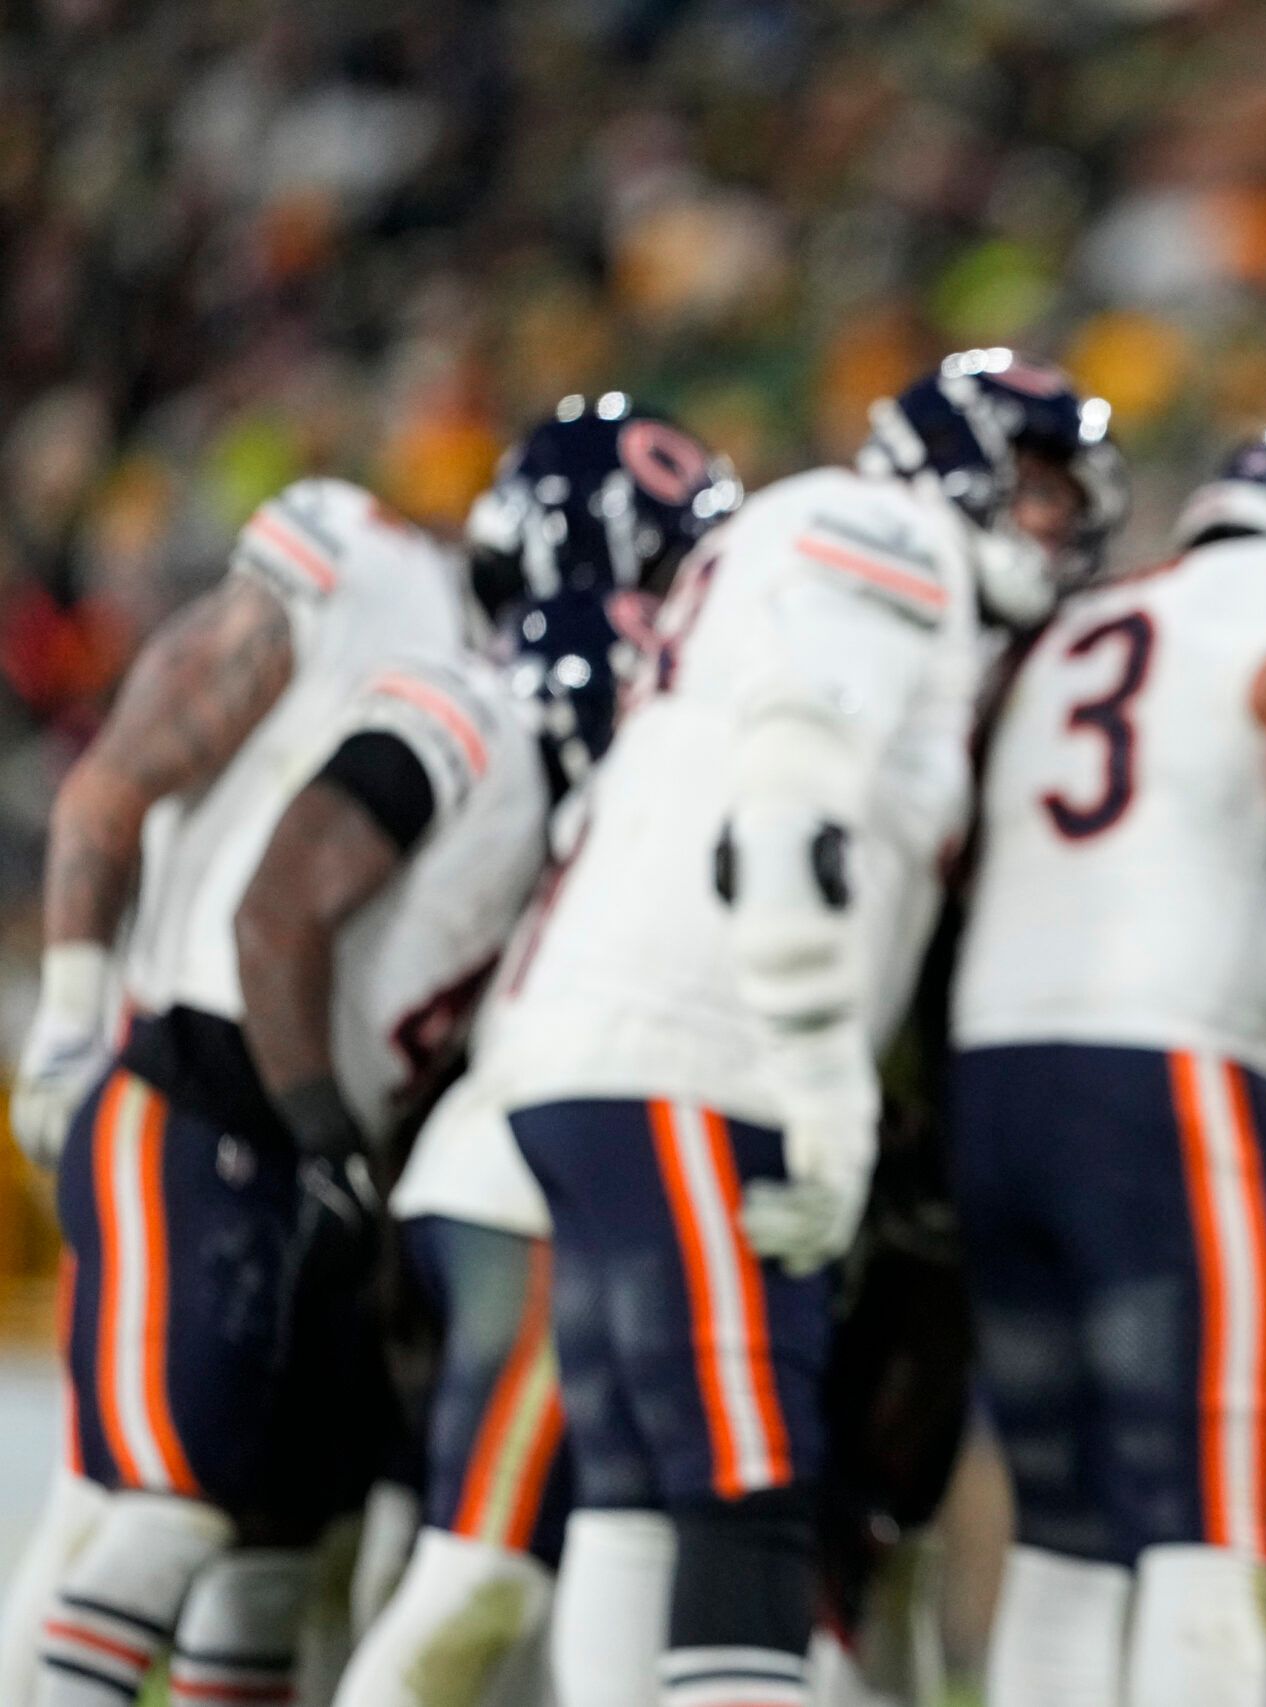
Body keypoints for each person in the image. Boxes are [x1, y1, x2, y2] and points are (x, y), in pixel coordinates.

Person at [473, 349, 1123, 1707]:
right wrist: (822, 1072)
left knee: (643, 1488)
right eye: (1048, 488)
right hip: (700, 1045)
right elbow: (790, 790)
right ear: (968, 464)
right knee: (754, 1490)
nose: (1065, 525)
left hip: (602, 1046)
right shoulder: (879, 534)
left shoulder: (807, 539)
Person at [15, 464, 556, 1707]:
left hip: (312, 1130)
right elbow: (116, 779)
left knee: (271, 1546)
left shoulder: (515, 708)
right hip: (204, 1085)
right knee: (151, 1512)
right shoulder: (382, 578)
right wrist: (70, 1006)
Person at [948, 425, 1266, 1707]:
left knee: (1063, 1535)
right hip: (1164, 1070)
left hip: (990, 1073)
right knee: (1213, 1518)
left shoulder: (1085, 621)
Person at [336, 400, 736, 1707]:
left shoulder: (537, 659)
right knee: (488, 1569)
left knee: (513, 1554)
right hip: (557, 1154)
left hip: (499, 1135)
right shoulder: (644, 670)